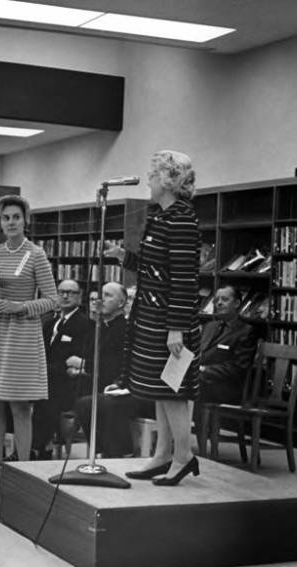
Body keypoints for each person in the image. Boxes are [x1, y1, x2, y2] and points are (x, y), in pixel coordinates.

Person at [105, 150, 201, 486]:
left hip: (170, 323)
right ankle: (162, 455)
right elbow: (154, 268)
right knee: (159, 390)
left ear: (167, 179)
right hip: (150, 318)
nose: (148, 179)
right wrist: (125, 257)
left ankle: (184, 456)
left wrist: (176, 329)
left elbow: (185, 278)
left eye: (153, 173)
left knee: (173, 391)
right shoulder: (160, 216)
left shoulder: (182, 219)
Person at [0, 195, 58, 490]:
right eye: (6, 218)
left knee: (20, 406)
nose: (11, 222)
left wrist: (21, 306)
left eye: (16, 217)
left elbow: (53, 299)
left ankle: (22, 472)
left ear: (26, 219)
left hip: (21, 336)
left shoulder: (36, 254)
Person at [69, 281, 154, 457]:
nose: (101, 300)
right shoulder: (99, 327)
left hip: (131, 387)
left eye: (108, 296)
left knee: (89, 402)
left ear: (121, 303)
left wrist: (83, 366)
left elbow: (112, 366)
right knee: (68, 393)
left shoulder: (124, 329)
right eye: (101, 295)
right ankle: (104, 450)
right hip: (108, 382)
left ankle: (115, 452)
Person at [31, 279, 93, 460]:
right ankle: (9, 445)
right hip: (46, 376)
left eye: (71, 292)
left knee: (48, 391)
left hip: (70, 382)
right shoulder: (49, 323)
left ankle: (38, 447)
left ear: (80, 298)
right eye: (61, 292)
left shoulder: (85, 324)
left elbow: (77, 359)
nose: (65, 296)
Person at [195, 284, 258, 456]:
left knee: (192, 387)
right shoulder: (210, 326)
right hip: (204, 381)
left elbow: (238, 368)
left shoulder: (246, 331)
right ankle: (169, 438)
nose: (219, 303)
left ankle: (192, 446)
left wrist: (204, 370)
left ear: (237, 303)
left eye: (224, 299)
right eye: (216, 300)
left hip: (227, 387)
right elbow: (199, 353)